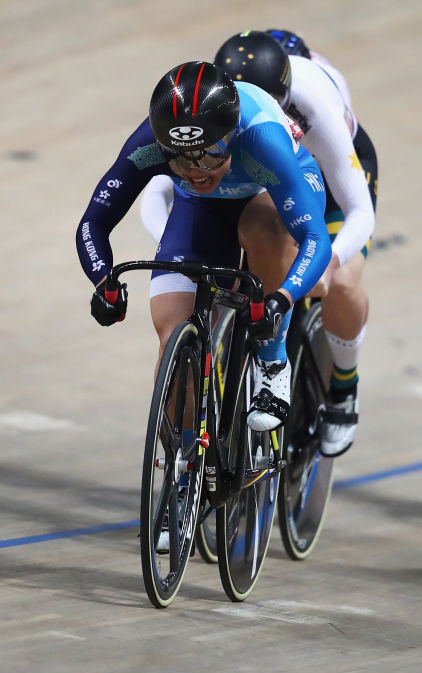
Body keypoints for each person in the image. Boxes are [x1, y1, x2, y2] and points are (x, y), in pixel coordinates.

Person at [141, 30, 378, 457]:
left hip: (325, 165)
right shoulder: (219, 116)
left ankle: (344, 388)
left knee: (336, 284)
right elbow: (159, 191)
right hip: (258, 166)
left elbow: (360, 208)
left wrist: (331, 260)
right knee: (251, 235)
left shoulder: (313, 107)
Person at [76, 61, 333, 433]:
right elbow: (93, 223)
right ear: (165, 145)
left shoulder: (262, 140)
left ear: (232, 135)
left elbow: (316, 239)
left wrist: (281, 300)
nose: (197, 170)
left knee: (263, 228)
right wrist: (103, 281)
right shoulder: (149, 143)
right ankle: (188, 470)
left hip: (266, 192)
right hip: (203, 209)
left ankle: (273, 364)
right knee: (173, 347)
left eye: (211, 153)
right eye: (181, 159)